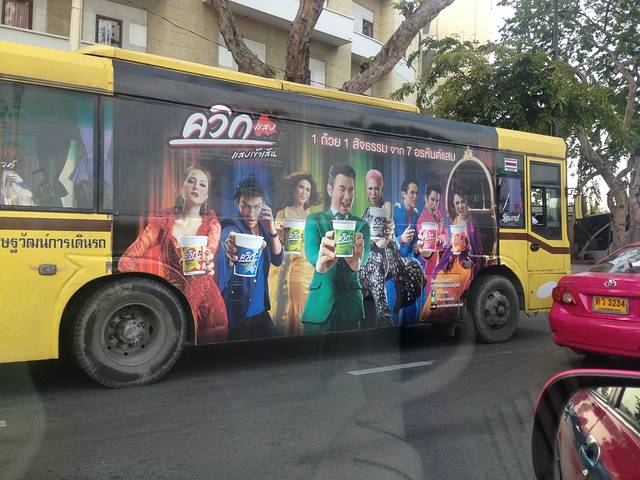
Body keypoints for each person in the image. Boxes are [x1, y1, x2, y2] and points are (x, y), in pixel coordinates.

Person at [118, 166, 228, 342]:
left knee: (207, 354)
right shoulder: (163, 222)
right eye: (191, 181)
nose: (196, 187)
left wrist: (207, 264)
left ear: (207, 195)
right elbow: (125, 260)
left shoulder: (212, 225)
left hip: (207, 306)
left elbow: (209, 252)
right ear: (181, 187)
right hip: (171, 300)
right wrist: (153, 285)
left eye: (202, 184)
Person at [301, 163, 371, 333]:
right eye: (342, 189)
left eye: (351, 190)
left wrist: (356, 262)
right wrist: (320, 262)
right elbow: (311, 253)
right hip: (319, 307)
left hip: (350, 308)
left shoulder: (361, 225)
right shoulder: (314, 220)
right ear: (330, 189)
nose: (347, 196)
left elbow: (363, 259)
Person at [217, 175, 283, 340]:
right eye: (245, 206)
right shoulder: (231, 225)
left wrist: (271, 228)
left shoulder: (263, 226)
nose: (251, 214)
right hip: (239, 312)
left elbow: (278, 259)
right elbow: (228, 237)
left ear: (263, 205)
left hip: (261, 310)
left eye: (257, 207)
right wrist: (230, 245)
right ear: (237, 203)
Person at [268, 172, 320, 336]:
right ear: (294, 189)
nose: (304, 192)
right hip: (290, 266)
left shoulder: (312, 217)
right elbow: (276, 243)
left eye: (308, 189)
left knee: (307, 303)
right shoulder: (284, 213)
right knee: (290, 303)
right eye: (301, 187)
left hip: (309, 268)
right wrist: (280, 235)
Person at [359, 169, 396, 327]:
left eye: (377, 188)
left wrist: (369, 239)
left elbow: (381, 242)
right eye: (370, 188)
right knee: (364, 310)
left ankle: (387, 337)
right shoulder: (366, 211)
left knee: (382, 308)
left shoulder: (386, 205)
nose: (373, 193)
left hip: (377, 263)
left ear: (382, 189)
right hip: (363, 265)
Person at [388, 179, 423, 326]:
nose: (415, 196)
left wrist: (416, 249)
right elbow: (386, 242)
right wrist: (401, 239)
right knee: (393, 307)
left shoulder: (417, 215)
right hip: (393, 266)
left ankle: (410, 335)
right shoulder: (394, 211)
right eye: (412, 193)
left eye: (417, 193)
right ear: (403, 194)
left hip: (409, 267)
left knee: (412, 310)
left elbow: (415, 245)